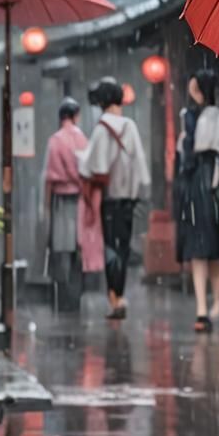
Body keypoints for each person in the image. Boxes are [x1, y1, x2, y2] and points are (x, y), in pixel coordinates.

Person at [174, 68, 219, 333]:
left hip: (201, 185)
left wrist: (185, 142)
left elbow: (190, 155)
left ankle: (210, 305)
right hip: (204, 186)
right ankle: (205, 307)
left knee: (206, 253)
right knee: (204, 252)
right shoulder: (207, 117)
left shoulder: (197, 117)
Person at [78, 77, 150, 320]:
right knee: (124, 247)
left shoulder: (101, 129)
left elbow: (88, 166)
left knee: (110, 247)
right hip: (128, 198)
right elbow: (140, 162)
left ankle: (115, 297)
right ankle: (119, 293)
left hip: (108, 198)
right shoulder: (130, 126)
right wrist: (140, 192)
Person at [41, 97, 88, 311]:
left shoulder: (55, 140)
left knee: (60, 247)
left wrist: (45, 206)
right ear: (75, 115)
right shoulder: (82, 139)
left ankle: (62, 294)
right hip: (79, 198)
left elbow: (49, 177)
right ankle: (75, 295)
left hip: (59, 200)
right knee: (78, 247)